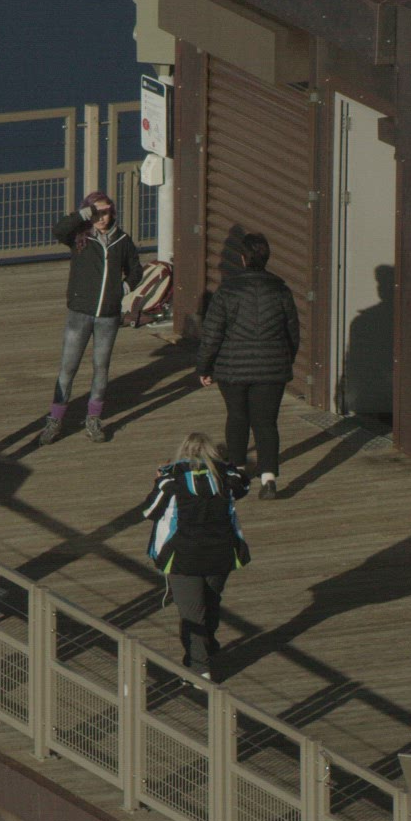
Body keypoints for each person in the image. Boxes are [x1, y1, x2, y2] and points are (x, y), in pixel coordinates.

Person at [140, 431, 252, 682]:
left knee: (192, 614)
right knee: (211, 602)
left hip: (183, 556)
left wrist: (158, 479)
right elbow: (244, 484)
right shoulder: (226, 477)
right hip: (221, 553)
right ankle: (208, 647)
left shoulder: (171, 481)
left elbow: (149, 511)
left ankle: (199, 669)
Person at [197, 232, 298, 500]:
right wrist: (285, 361)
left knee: (237, 417)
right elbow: (293, 333)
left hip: (233, 368)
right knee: (266, 423)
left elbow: (212, 334)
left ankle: (237, 471)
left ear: (242, 259)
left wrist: (204, 367)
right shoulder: (281, 290)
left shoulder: (227, 291)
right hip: (272, 369)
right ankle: (269, 479)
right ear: (267, 259)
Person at [39, 191, 143, 446]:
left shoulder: (123, 240)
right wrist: (82, 216)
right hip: (80, 313)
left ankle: (93, 419)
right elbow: (59, 230)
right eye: (96, 212)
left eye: (105, 212)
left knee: (101, 367)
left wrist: (124, 288)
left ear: (113, 212)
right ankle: (55, 420)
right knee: (68, 368)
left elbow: (135, 269)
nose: (101, 217)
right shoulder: (79, 237)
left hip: (108, 316)